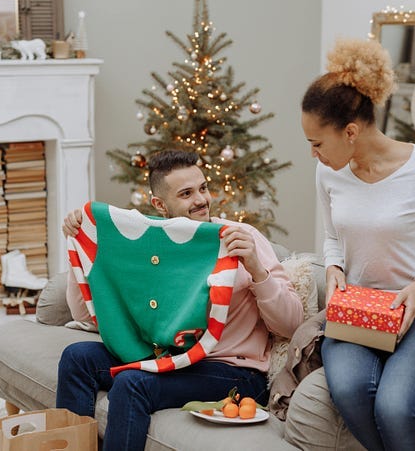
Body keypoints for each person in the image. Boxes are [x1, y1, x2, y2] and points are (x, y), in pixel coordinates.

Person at [57, 149, 304, 451]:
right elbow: (83, 317)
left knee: (132, 383)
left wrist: (255, 268)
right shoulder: (150, 246)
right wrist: (80, 249)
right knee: (77, 357)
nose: (201, 200)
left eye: (202, 188)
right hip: (169, 356)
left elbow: (292, 325)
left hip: (233, 370)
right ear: (160, 204)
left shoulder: (240, 237)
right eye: (186, 193)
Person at [301, 39, 415, 451]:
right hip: (355, 313)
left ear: (350, 131)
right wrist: (333, 267)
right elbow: (331, 236)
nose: (313, 154)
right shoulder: (330, 174)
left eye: (317, 143)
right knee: (353, 392)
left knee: (396, 407)